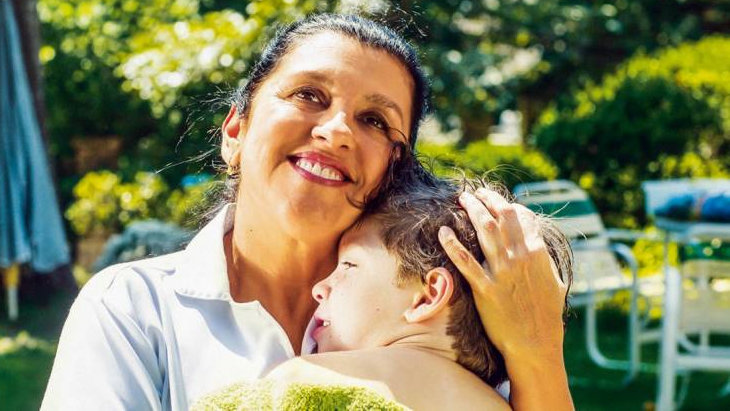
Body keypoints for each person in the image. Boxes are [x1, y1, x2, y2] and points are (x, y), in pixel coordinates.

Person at [41, 14, 573, 411]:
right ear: (235, 131)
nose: (338, 130)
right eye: (308, 94)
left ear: (397, 165)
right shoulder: (134, 307)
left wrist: (539, 354)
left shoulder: (465, 310)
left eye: (374, 120)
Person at [192, 163, 572, 410]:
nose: (320, 288)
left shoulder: (313, 378)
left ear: (428, 295)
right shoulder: (509, 405)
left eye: (348, 265)